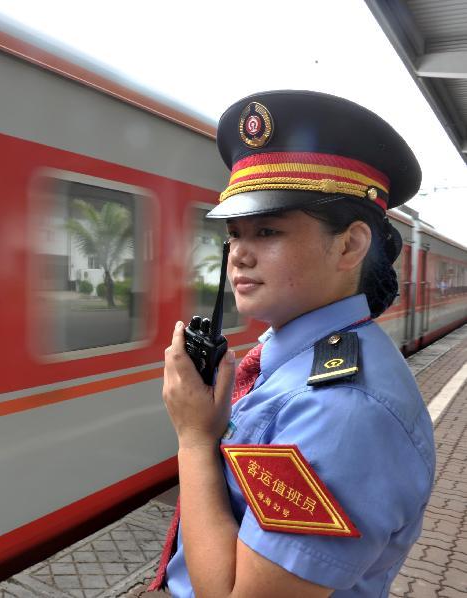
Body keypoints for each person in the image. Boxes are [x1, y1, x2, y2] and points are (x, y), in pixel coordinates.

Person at [150, 91, 435, 597]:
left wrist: (195, 440)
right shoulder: (296, 362)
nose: (238, 255)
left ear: (349, 245)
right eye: (234, 235)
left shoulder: (342, 411)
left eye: (267, 230)